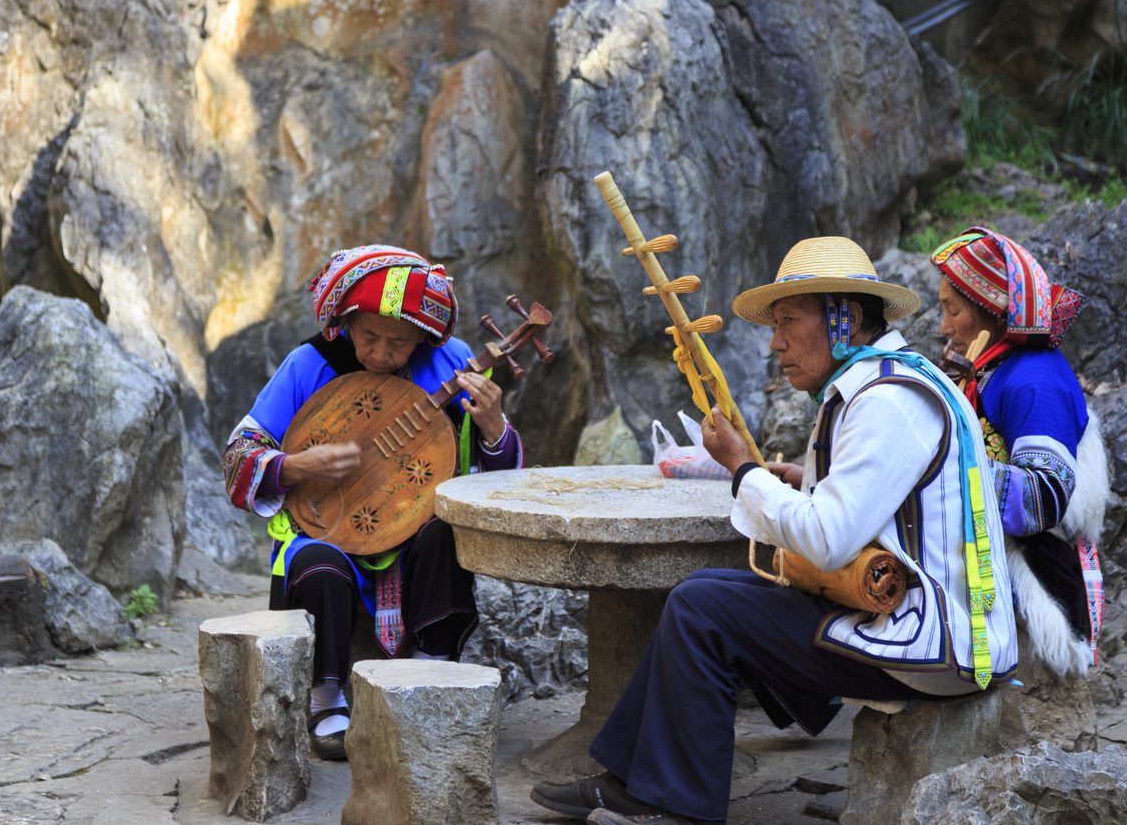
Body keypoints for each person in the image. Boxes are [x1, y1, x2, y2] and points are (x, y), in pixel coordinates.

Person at [530, 236, 1018, 825]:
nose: (775, 342)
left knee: (701, 607)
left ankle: (676, 802)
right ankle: (631, 779)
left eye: (789, 322)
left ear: (846, 319)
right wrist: (793, 481)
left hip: (937, 645)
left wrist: (744, 470)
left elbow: (829, 539)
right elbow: (862, 511)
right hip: (913, 622)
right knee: (709, 591)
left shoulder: (888, 400)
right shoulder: (879, 385)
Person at [222, 244, 523, 760]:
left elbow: (496, 489)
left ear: (424, 338)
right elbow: (237, 456)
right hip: (327, 529)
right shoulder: (308, 364)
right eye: (369, 336)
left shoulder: (454, 364)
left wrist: (496, 427)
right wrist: (295, 467)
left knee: (447, 532)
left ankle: (435, 674)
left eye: (399, 343)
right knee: (316, 561)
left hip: (414, 536)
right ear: (346, 321)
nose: (381, 354)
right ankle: (327, 699)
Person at [932, 228, 1106, 675]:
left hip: (1035, 561)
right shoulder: (994, 369)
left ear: (990, 314)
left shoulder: (1033, 381)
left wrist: (940, 464)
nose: (944, 326)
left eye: (952, 310)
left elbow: (1042, 499)